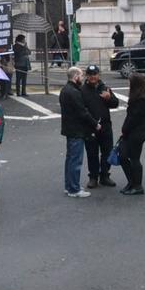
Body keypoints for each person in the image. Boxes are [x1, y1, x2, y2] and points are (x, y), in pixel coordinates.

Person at [80, 65, 120, 189]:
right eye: (90, 74)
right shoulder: (82, 90)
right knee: (92, 153)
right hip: (90, 127)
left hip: (105, 126)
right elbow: (81, 110)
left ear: (99, 75)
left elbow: (115, 104)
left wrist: (109, 98)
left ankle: (105, 176)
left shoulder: (104, 87)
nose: (93, 77)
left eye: (95, 74)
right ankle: (93, 177)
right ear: (87, 76)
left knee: (107, 152)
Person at [60, 67, 96, 198]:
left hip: (69, 128)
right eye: (81, 75)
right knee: (75, 160)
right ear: (75, 76)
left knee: (70, 159)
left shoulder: (65, 90)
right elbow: (82, 112)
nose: (83, 78)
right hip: (76, 130)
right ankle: (74, 189)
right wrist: (95, 124)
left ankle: (69, 185)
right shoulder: (74, 92)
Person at [120, 73, 145, 195]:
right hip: (134, 132)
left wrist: (124, 129)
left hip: (136, 132)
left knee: (133, 158)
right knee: (123, 156)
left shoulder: (141, 99)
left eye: (130, 82)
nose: (128, 84)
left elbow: (134, 118)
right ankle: (132, 182)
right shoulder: (140, 96)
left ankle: (137, 185)